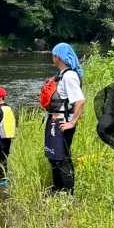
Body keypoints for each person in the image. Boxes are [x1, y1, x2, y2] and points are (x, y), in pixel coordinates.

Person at [44, 43, 85, 194]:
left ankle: (68, 194)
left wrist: (72, 122)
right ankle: (57, 189)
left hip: (62, 123)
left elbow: (80, 100)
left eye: (54, 55)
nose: (52, 58)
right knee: (54, 157)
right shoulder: (62, 75)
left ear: (58, 57)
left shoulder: (69, 76)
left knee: (62, 159)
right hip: (55, 121)